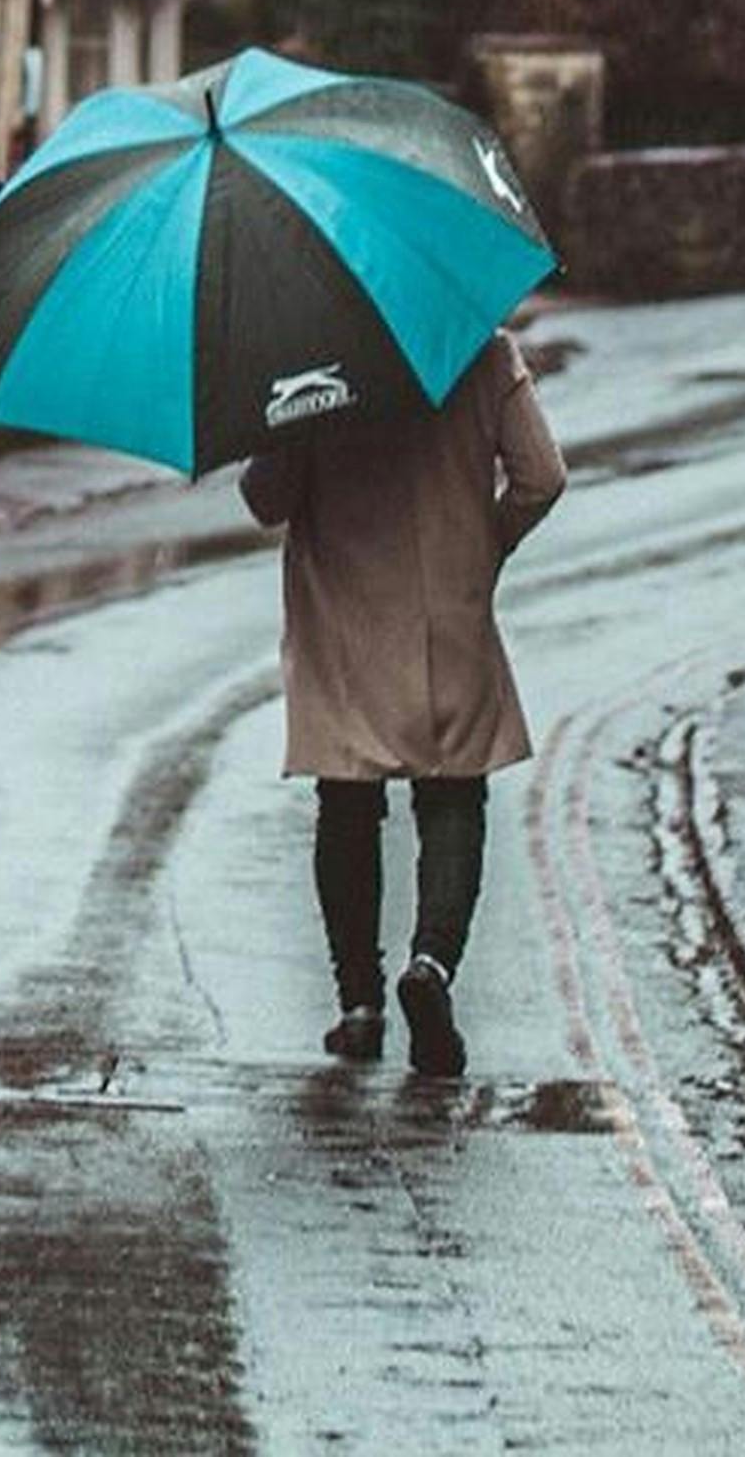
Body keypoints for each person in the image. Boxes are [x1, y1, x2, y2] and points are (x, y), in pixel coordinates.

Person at [239, 326, 566, 1075]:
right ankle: (431, 967)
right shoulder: (482, 351)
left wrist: (277, 416)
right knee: (454, 791)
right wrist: (484, 545)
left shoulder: (311, 360)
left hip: (343, 615)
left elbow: (268, 499)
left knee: (347, 801)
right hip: (449, 605)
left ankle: (359, 1005)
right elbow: (541, 476)